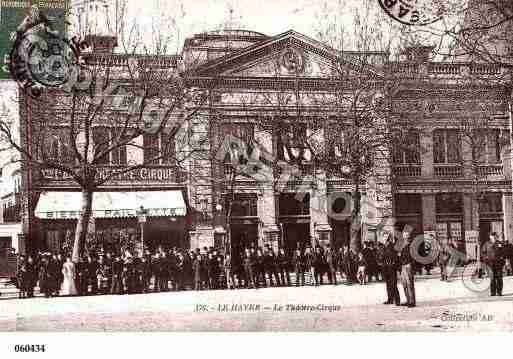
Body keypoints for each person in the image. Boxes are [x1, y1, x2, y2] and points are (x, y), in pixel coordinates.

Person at [482, 232, 505, 296]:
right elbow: (483, 252)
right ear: (490, 237)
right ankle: (493, 292)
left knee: (499, 278)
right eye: (492, 236)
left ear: (496, 237)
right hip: (490, 264)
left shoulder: (500, 243)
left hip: (498, 263)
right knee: (492, 278)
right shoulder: (486, 244)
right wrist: (485, 259)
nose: (494, 237)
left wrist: (502, 259)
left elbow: (503, 252)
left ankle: (499, 292)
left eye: (495, 236)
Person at [398, 232, 416, 307]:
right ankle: (408, 300)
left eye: (405, 238)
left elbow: (413, 257)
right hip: (403, 265)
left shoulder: (411, 246)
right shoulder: (403, 246)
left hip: (408, 265)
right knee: (404, 284)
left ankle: (411, 301)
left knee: (409, 284)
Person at [382, 234, 400, 305]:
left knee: (393, 284)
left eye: (385, 237)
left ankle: (397, 300)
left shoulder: (392, 246)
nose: (384, 239)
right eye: (383, 237)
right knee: (388, 284)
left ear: (388, 238)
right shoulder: (384, 247)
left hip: (391, 268)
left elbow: (396, 257)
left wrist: (394, 264)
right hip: (386, 267)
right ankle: (390, 299)